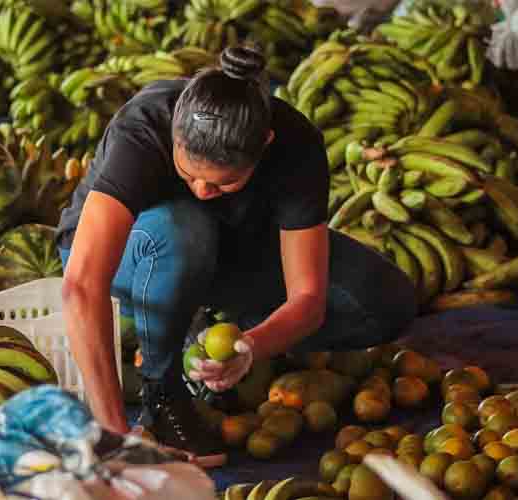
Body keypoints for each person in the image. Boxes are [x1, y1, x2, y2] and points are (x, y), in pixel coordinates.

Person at [56, 44, 418, 468]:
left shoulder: (295, 146)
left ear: (263, 144)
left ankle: (202, 331)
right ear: (175, 132)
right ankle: (161, 387)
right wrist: (114, 434)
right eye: (189, 174)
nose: (203, 190)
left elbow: (308, 299)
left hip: (228, 254)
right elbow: (82, 285)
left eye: (223, 184)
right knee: (185, 227)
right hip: (131, 258)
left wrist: (251, 346)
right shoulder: (143, 127)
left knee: (385, 300)